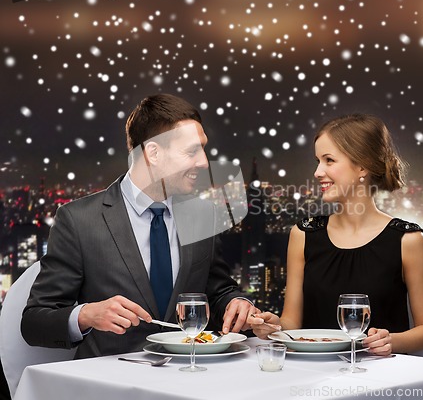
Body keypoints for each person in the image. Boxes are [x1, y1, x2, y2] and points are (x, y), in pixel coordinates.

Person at [21, 93, 255, 359]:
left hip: (190, 380)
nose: (203, 162)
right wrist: (85, 315)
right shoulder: (78, 220)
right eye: (192, 151)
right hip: (110, 386)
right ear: (153, 153)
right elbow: (34, 323)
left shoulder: (202, 214)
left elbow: (218, 290)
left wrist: (238, 303)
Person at [251, 114, 423, 355]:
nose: (318, 172)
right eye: (318, 161)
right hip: (312, 373)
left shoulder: (408, 239)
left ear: (362, 166)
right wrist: (273, 327)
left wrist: (390, 341)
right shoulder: (303, 234)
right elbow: (292, 324)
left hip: (383, 378)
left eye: (329, 160)